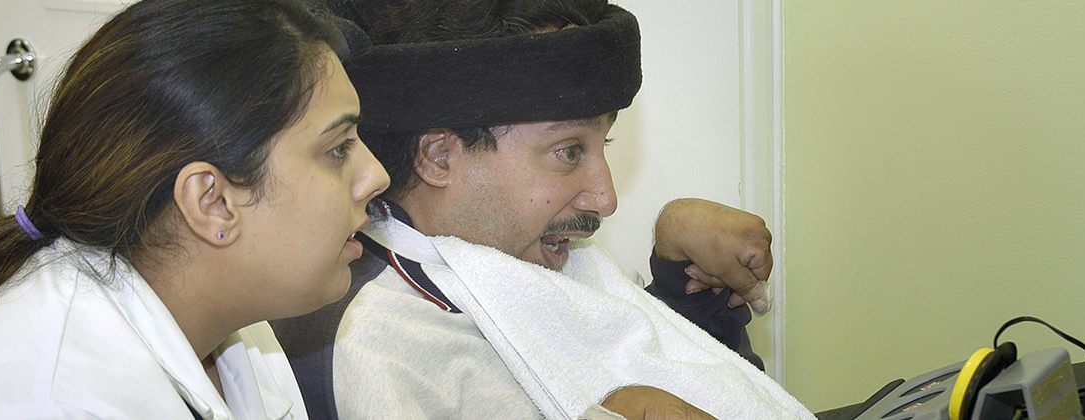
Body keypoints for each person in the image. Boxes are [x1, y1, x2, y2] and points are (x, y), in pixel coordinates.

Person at [270, 1, 813, 419]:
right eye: (569, 152)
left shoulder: (526, 259)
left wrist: (686, 297)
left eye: (606, 145)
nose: (605, 199)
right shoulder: (373, 346)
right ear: (439, 155)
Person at [0, 0, 390, 418]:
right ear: (212, 203)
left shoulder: (230, 327)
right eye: (339, 149)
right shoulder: (53, 400)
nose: (376, 176)